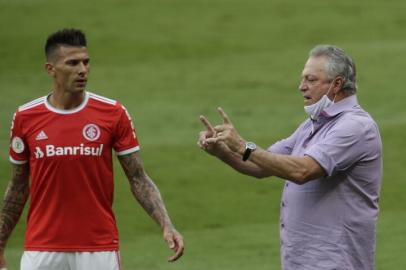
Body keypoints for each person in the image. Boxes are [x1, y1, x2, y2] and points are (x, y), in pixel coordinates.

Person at [0, 28, 184, 270]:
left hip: (99, 247)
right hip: (42, 247)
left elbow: (138, 177)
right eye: (73, 63)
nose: (82, 70)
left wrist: (166, 224)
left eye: (86, 62)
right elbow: (18, 185)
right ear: (50, 69)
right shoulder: (26, 117)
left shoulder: (113, 113)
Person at [198, 45, 382, 270]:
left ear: (336, 84)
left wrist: (242, 145)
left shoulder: (355, 127)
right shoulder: (311, 126)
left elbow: (302, 171)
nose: (301, 87)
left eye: (311, 80)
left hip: (336, 263)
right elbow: (262, 166)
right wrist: (222, 151)